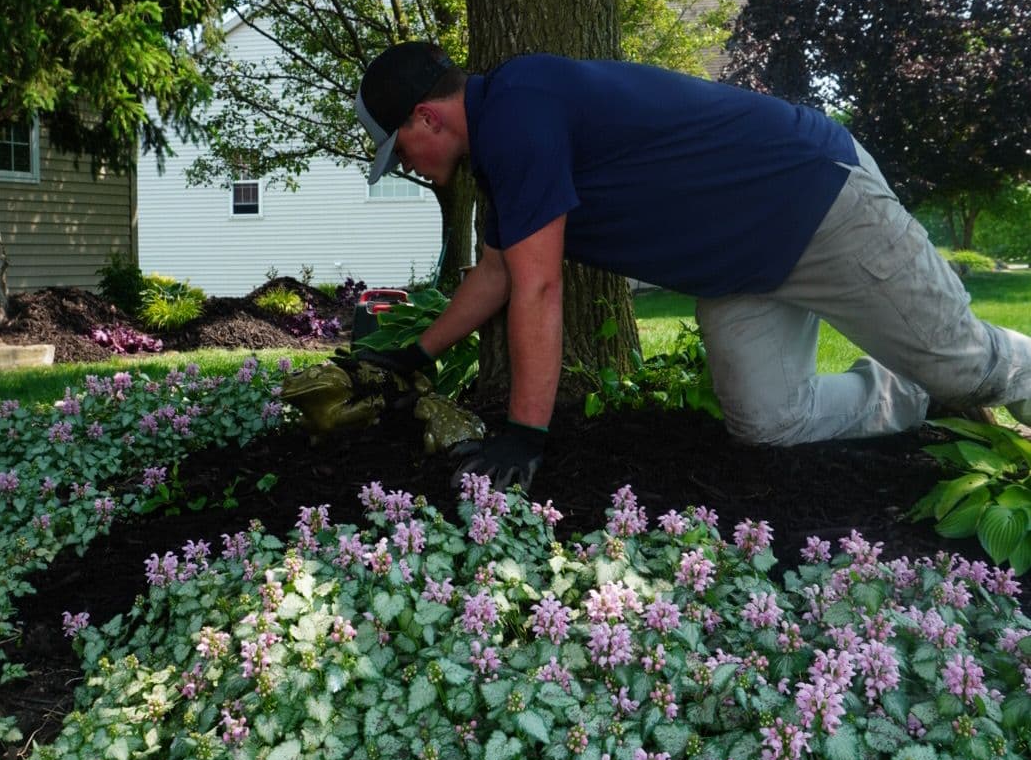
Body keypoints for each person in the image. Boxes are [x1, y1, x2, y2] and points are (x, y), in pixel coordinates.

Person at [354, 41, 1031, 489]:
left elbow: (539, 285)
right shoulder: (506, 151)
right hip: (739, 269)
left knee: (968, 367)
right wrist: (414, 356)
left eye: (400, 151)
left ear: (426, 118)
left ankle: (959, 375)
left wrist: (525, 436)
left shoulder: (518, 108)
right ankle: (913, 390)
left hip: (811, 200)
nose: (407, 166)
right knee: (771, 423)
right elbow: (500, 271)